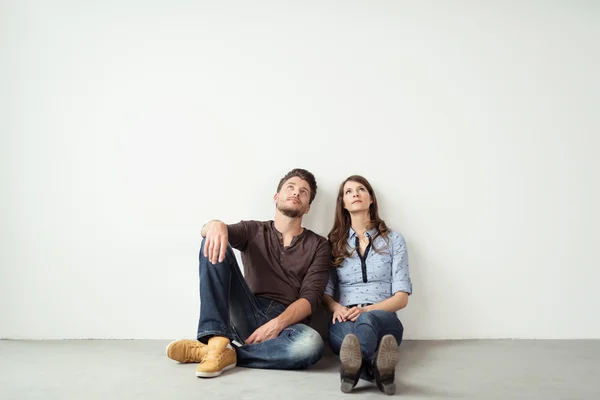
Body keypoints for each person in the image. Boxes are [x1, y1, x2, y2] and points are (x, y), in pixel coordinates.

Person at [166, 168, 332, 378]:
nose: (296, 193)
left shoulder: (319, 245)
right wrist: (215, 225)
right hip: (247, 309)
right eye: (290, 187)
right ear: (276, 197)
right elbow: (213, 231)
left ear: (308, 207)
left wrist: (277, 323)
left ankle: (222, 353)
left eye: (303, 191)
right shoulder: (253, 229)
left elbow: (311, 298)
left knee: (311, 345)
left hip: (287, 324)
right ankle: (216, 337)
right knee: (214, 241)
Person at [322, 175, 412, 395]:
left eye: (361, 189)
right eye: (348, 191)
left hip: (384, 318)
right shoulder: (333, 243)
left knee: (365, 323)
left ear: (371, 199)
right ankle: (380, 372)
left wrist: (365, 311)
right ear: (343, 203)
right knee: (346, 338)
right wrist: (337, 308)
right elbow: (325, 293)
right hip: (345, 319)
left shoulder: (394, 240)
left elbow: (401, 298)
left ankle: (351, 371)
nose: (355, 194)